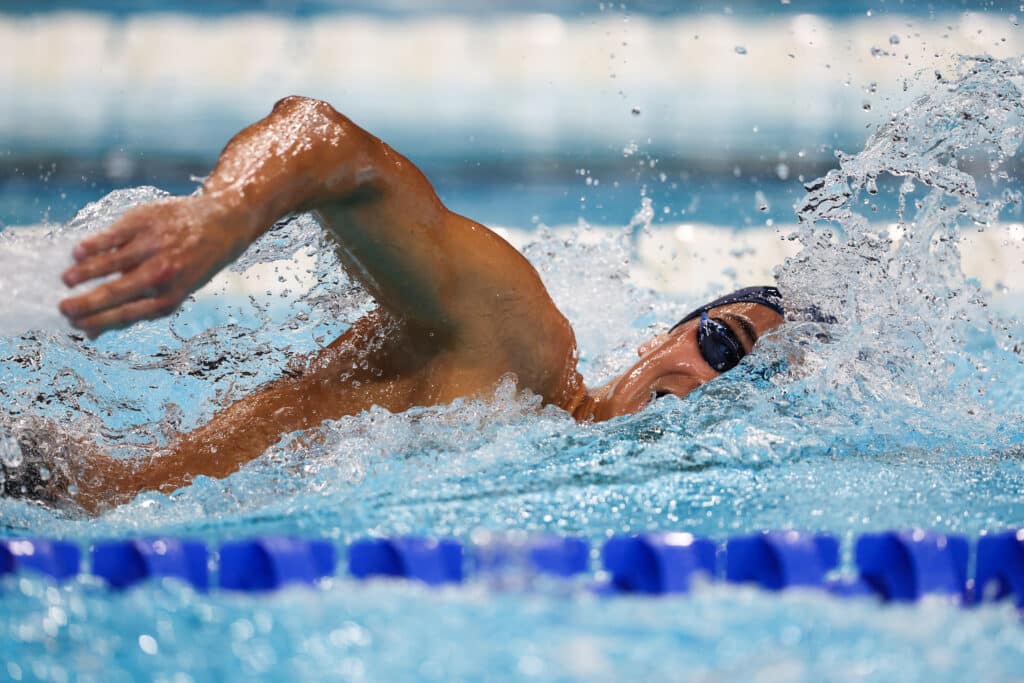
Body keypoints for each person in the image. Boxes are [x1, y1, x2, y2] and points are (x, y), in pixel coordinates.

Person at [5, 97, 785, 513]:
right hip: (56, 490)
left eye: (747, 390)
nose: (711, 384)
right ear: (668, 331)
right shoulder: (520, 351)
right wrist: (222, 216)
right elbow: (328, 143)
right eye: (722, 344)